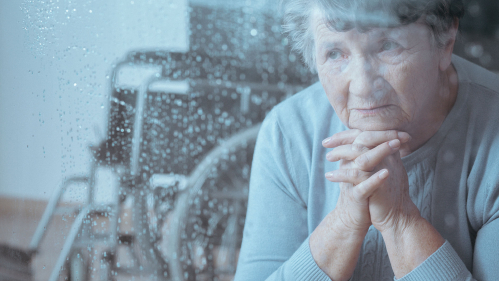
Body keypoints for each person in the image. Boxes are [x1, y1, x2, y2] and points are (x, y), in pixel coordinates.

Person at [233, 0, 499, 280]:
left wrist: (400, 221)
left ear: (445, 41)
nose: (362, 87)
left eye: (387, 46)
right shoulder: (288, 133)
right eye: (335, 53)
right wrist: (345, 221)